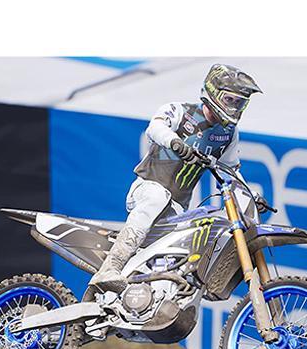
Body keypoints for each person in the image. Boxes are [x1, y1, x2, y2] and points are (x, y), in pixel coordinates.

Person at [90, 64, 264, 292]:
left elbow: (229, 171)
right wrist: (174, 142)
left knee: (189, 249)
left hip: (177, 210)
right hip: (146, 189)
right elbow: (155, 127)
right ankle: (110, 267)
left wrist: (250, 196)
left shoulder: (229, 134)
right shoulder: (180, 111)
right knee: (157, 197)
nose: (234, 107)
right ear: (213, 92)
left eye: (239, 103)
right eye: (229, 100)